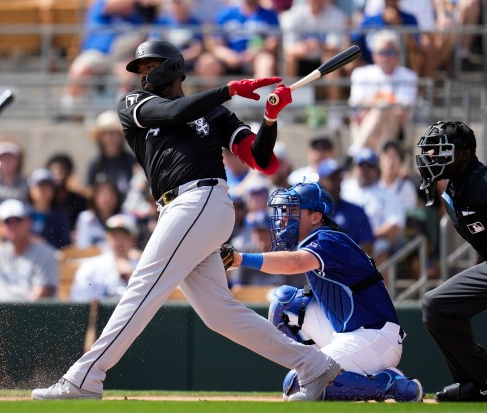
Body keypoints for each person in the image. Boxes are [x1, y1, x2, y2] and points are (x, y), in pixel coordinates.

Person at [32, 40, 341, 402]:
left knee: (143, 286)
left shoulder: (217, 114)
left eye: (151, 65)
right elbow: (174, 112)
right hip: (180, 209)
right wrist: (228, 89)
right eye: (141, 68)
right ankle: (314, 366)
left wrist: (271, 118)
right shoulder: (134, 103)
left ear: (173, 66)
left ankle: (85, 377)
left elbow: (262, 160)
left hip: (202, 201)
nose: (144, 74)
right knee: (219, 315)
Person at [223, 182, 423, 402]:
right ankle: (344, 373)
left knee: (297, 384)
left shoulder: (328, 239)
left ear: (316, 217)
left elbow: (293, 263)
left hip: (375, 338)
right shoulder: (323, 238)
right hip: (349, 333)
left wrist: (241, 259)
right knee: (285, 302)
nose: (284, 219)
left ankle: (388, 384)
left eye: (294, 211)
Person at [416, 121, 487, 402]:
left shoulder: (482, 184)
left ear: (466, 154)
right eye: (430, 152)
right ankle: (480, 382)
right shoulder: (452, 193)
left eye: (441, 151)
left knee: (436, 303)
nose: (432, 158)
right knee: (438, 307)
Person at [348, 30, 418, 155]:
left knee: (383, 109)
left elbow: (404, 109)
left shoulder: (409, 76)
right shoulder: (360, 74)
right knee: (381, 110)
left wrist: (376, 104)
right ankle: (384, 157)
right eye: (381, 52)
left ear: (397, 54)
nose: (386, 57)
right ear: (374, 55)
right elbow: (357, 105)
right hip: (366, 122)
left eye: (390, 52)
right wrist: (385, 103)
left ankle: (356, 152)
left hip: (396, 126)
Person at [195, 0, 280, 83]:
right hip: (228, 60)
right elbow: (214, 44)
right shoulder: (226, 14)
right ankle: (212, 96)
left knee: (266, 61)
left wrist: (254, 52)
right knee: (206, 62)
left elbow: (273, 42)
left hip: (255, 58)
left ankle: (260, 96)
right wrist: (226, 54)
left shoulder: (270, 15)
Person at [280, 0, 348, 103]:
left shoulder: (336, 15)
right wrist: (307, 47)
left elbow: (335, 47)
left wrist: (318, 45)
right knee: (290, 59)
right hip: (301, 60)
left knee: (331, 60)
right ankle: (288, 106)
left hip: (323, 61)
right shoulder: (294, 15)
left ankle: (334, 110)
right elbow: (289, 48)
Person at [0, 199, 58, 302]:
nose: (13, 226)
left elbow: (41, 293)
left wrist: (16, 316)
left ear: (29, 222)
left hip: (35, 315)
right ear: (1, 227)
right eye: (7, 221)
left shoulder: (46, 253)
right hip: (2, 315)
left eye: (17, 220)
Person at [70, 213, 141, 302]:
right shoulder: (91, 266)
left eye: (123, 236)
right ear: (107, 238)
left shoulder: (141, 266)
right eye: (114, 236)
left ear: (132, 240)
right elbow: (79, 301)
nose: (118, 241)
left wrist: (131, 275)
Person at [316, 158, 375, 255]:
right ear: (321, 182)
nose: (337, 183)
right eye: (332, 178)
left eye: (339, 177)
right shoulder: (311, 212)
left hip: (349, 268)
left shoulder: (356, 211)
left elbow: (368, 247)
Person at [86, 110, 137, 200]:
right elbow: (90, 192)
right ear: (100, 138)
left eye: (114, 133)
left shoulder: (132, 161)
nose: (111, 138)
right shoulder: (95, 164)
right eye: (106, 133)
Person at [26, 168, 72, 250]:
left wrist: (44, 244)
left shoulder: (60, 217)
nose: (43, 191)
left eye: (47, 187)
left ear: (53, 190)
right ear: (31, 190)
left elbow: (66, 245)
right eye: (39, 187)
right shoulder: (22, 215)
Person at [45, 153, 87, 234]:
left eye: (63, 170)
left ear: (70, 173)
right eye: (54, 171)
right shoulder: (44, 201)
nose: (59, 175)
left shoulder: (80, 201)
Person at [75, 180, 124, 249]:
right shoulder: (86, 218)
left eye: (111, 194)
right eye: (104, 194)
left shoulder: (124, 218)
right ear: (95, 197)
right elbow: (83, 247)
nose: (108, 198)